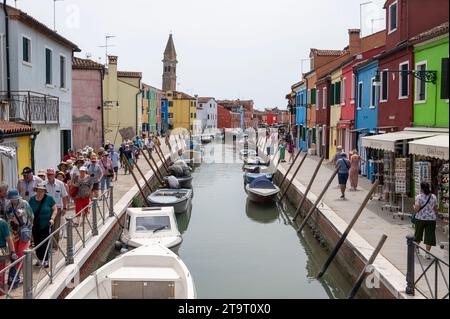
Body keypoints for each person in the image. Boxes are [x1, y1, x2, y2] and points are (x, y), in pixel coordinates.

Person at [4, 190, 33, 289]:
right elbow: (6, 219)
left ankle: (23, 277)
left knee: (21, 254)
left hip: (24, 232)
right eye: (11, 199)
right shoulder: (8, 206)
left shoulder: (25, 204)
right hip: (13, 234)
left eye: (14, 198)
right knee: (15, 255)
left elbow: (31, 216)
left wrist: (28, 229)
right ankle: (16, 277)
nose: (13, 200)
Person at [29, 183, 57, 268]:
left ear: (45, 191)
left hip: (46, 224)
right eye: (38, 190)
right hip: (35, 225)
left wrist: (52, 218)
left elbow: (55, 209)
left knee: (45, 242)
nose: (40, 192)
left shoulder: (49, 199)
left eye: (42, 191)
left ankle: (45, 260)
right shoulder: (32, 199)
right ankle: (39, 259)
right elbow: (28, 211)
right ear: (36, 190)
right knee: (37, 243)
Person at [413, 182, 438, 259]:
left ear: (421, 188)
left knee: (418, 234)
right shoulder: (433, 196)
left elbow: (417, 209)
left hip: (420, 218)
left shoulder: (419, 197)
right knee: (429, 236)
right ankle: (427, 253)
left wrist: (413, 207)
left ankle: (416, 249)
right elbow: (435, 208)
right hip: (431, 219)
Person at [44, 169, 68, 244]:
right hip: (46, 208)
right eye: (48, 174)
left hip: (57, 208)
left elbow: (64, 196)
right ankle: (47, 245)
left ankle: (55, 245)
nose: (49, 176)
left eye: (51, 174)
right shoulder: (43, 184)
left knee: (56, 228)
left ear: (54, 175)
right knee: (45, 227)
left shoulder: (60, 184)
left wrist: (64, 208)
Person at [0, 216, 18, 296]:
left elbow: (9, 239)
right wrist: (13, 252)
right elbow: (9, 239)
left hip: (1, 252)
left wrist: (13, 252)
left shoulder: (2, 223)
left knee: (1, 275)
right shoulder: (2, 223)